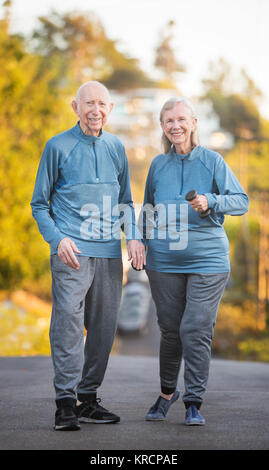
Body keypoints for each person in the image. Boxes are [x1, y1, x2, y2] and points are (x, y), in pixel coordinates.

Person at [31, 80, 145, 431]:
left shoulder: (116, 147)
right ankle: (65, 403)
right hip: (72, 255)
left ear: (110, 110)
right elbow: (39, 204)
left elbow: (126, 201)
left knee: (103, 328)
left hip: (109, 255)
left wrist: (134, 239)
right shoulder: (57, 147)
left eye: (102, 104)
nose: (96, 110)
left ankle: (88, 399)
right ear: (75, 107)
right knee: (67, 324)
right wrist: (57, 239)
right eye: (89, 103)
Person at [141, 97, 248, 425]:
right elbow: (147, 209)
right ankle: (165, 394)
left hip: (208, 260)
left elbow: (241, 201)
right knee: (171, 331)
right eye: (168, 121)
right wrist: (141, 245)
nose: (176, 126)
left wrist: (210, 201)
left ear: (194, 123)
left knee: (195, 327)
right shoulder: (158, 165)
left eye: (181, 119)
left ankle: (193, 402)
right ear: (162, 127)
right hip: (163, 261)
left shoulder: (213, 161)